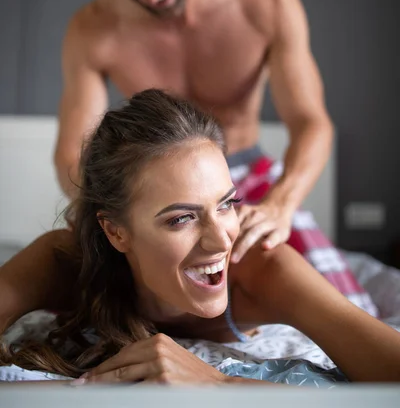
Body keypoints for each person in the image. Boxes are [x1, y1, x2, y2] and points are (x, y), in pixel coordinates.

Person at [0, 0, 375, 324]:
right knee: (82, 314)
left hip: (252, 189)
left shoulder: (266, 2)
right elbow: (72, 149)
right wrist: (113, 222)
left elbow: (311, 123)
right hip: (154, 199)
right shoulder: (91, 29)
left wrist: (281, 205)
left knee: (345, 317)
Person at [1, 90, 400, 386]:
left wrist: (220, 385)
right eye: (181, 219)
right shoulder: (64, 261)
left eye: (227, 204)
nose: (220, 242)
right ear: (116, 231)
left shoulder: (262, 267)